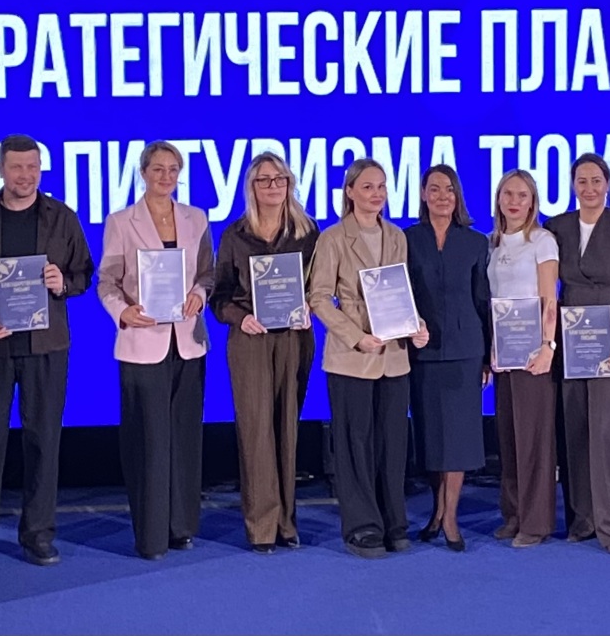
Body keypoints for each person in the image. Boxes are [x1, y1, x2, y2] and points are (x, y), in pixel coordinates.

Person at [0, 134, 95, 571]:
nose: (25, 175)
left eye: (32, 167)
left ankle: (39, 535)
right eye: (16, 167)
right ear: (1, 169)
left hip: (46, 346)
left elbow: (84, 273)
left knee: (43, 442)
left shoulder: (62, 217)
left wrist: (62, 284)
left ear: (40, 170)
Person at [98, 141, 215, 561]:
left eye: (173, 170)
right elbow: (107, 281)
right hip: (141, 342)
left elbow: (208, 274)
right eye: (158, 169)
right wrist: (123, 312)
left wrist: (200, 295)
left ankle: (181, 526)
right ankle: (150, 534)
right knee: (147, 442)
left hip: (187, 341)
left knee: (184, 437)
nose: (166, 177)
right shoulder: (121, 221)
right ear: (143, 173)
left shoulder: (196, 218)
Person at [308, 158, 429, 558]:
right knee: (355, 443)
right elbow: (318, 298)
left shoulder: (396, 236)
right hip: (352, 356)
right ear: (350, 192)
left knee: (392, 444)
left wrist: (417, 326)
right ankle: (362, 527)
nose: (376, 194)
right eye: (367, 187)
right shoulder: (333, 238)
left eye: (381, 187)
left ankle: (394, 522)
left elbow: (401, 293)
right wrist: (356, 337)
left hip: (394, 355)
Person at [209, 152, 319, 553]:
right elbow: (219, 297)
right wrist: (241, 318)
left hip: (293, 338)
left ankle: (287, 524)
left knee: (287, 429)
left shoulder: (307, 232)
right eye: (264, 180)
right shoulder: (235, 235)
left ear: (289, 185)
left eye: (280, 179)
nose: (273, 186)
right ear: (251, 187)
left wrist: (310, 307)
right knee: (256, 432)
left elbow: (319, 287)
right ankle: (261, 527)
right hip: (251, 340)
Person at [545, 153, 610, 555]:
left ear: (608, 184)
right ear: (573, 185)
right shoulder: (555, 229)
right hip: (570, 342)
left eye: (596, 180)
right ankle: (582, 520)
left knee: (604, 431)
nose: (589, 188)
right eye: (582, 181)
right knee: (575, 428)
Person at [404, 165, 490, 552]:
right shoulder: (407, 239)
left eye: (449, 190)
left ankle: (450, 516)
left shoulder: (474, 242)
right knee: (431, 436)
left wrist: (487, 355)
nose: (442, 196)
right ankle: (436, 511)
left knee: (459, 438)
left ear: (458, 197)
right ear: (423, 194)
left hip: (465, 351)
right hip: (421, 352)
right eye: (435, 189)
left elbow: (482, 300)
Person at [487, 169, 559, 549]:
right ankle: (513, 515)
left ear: (532, 203)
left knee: (533, 441)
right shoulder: (494, 243)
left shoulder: (542, 241)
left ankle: (536, 522)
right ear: (499, 199)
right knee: (510, 437)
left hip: (533, 355)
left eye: (522, 195)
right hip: (504, 355)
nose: (514, 201)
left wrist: (548, 346)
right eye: (508, 194)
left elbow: (549, 299)